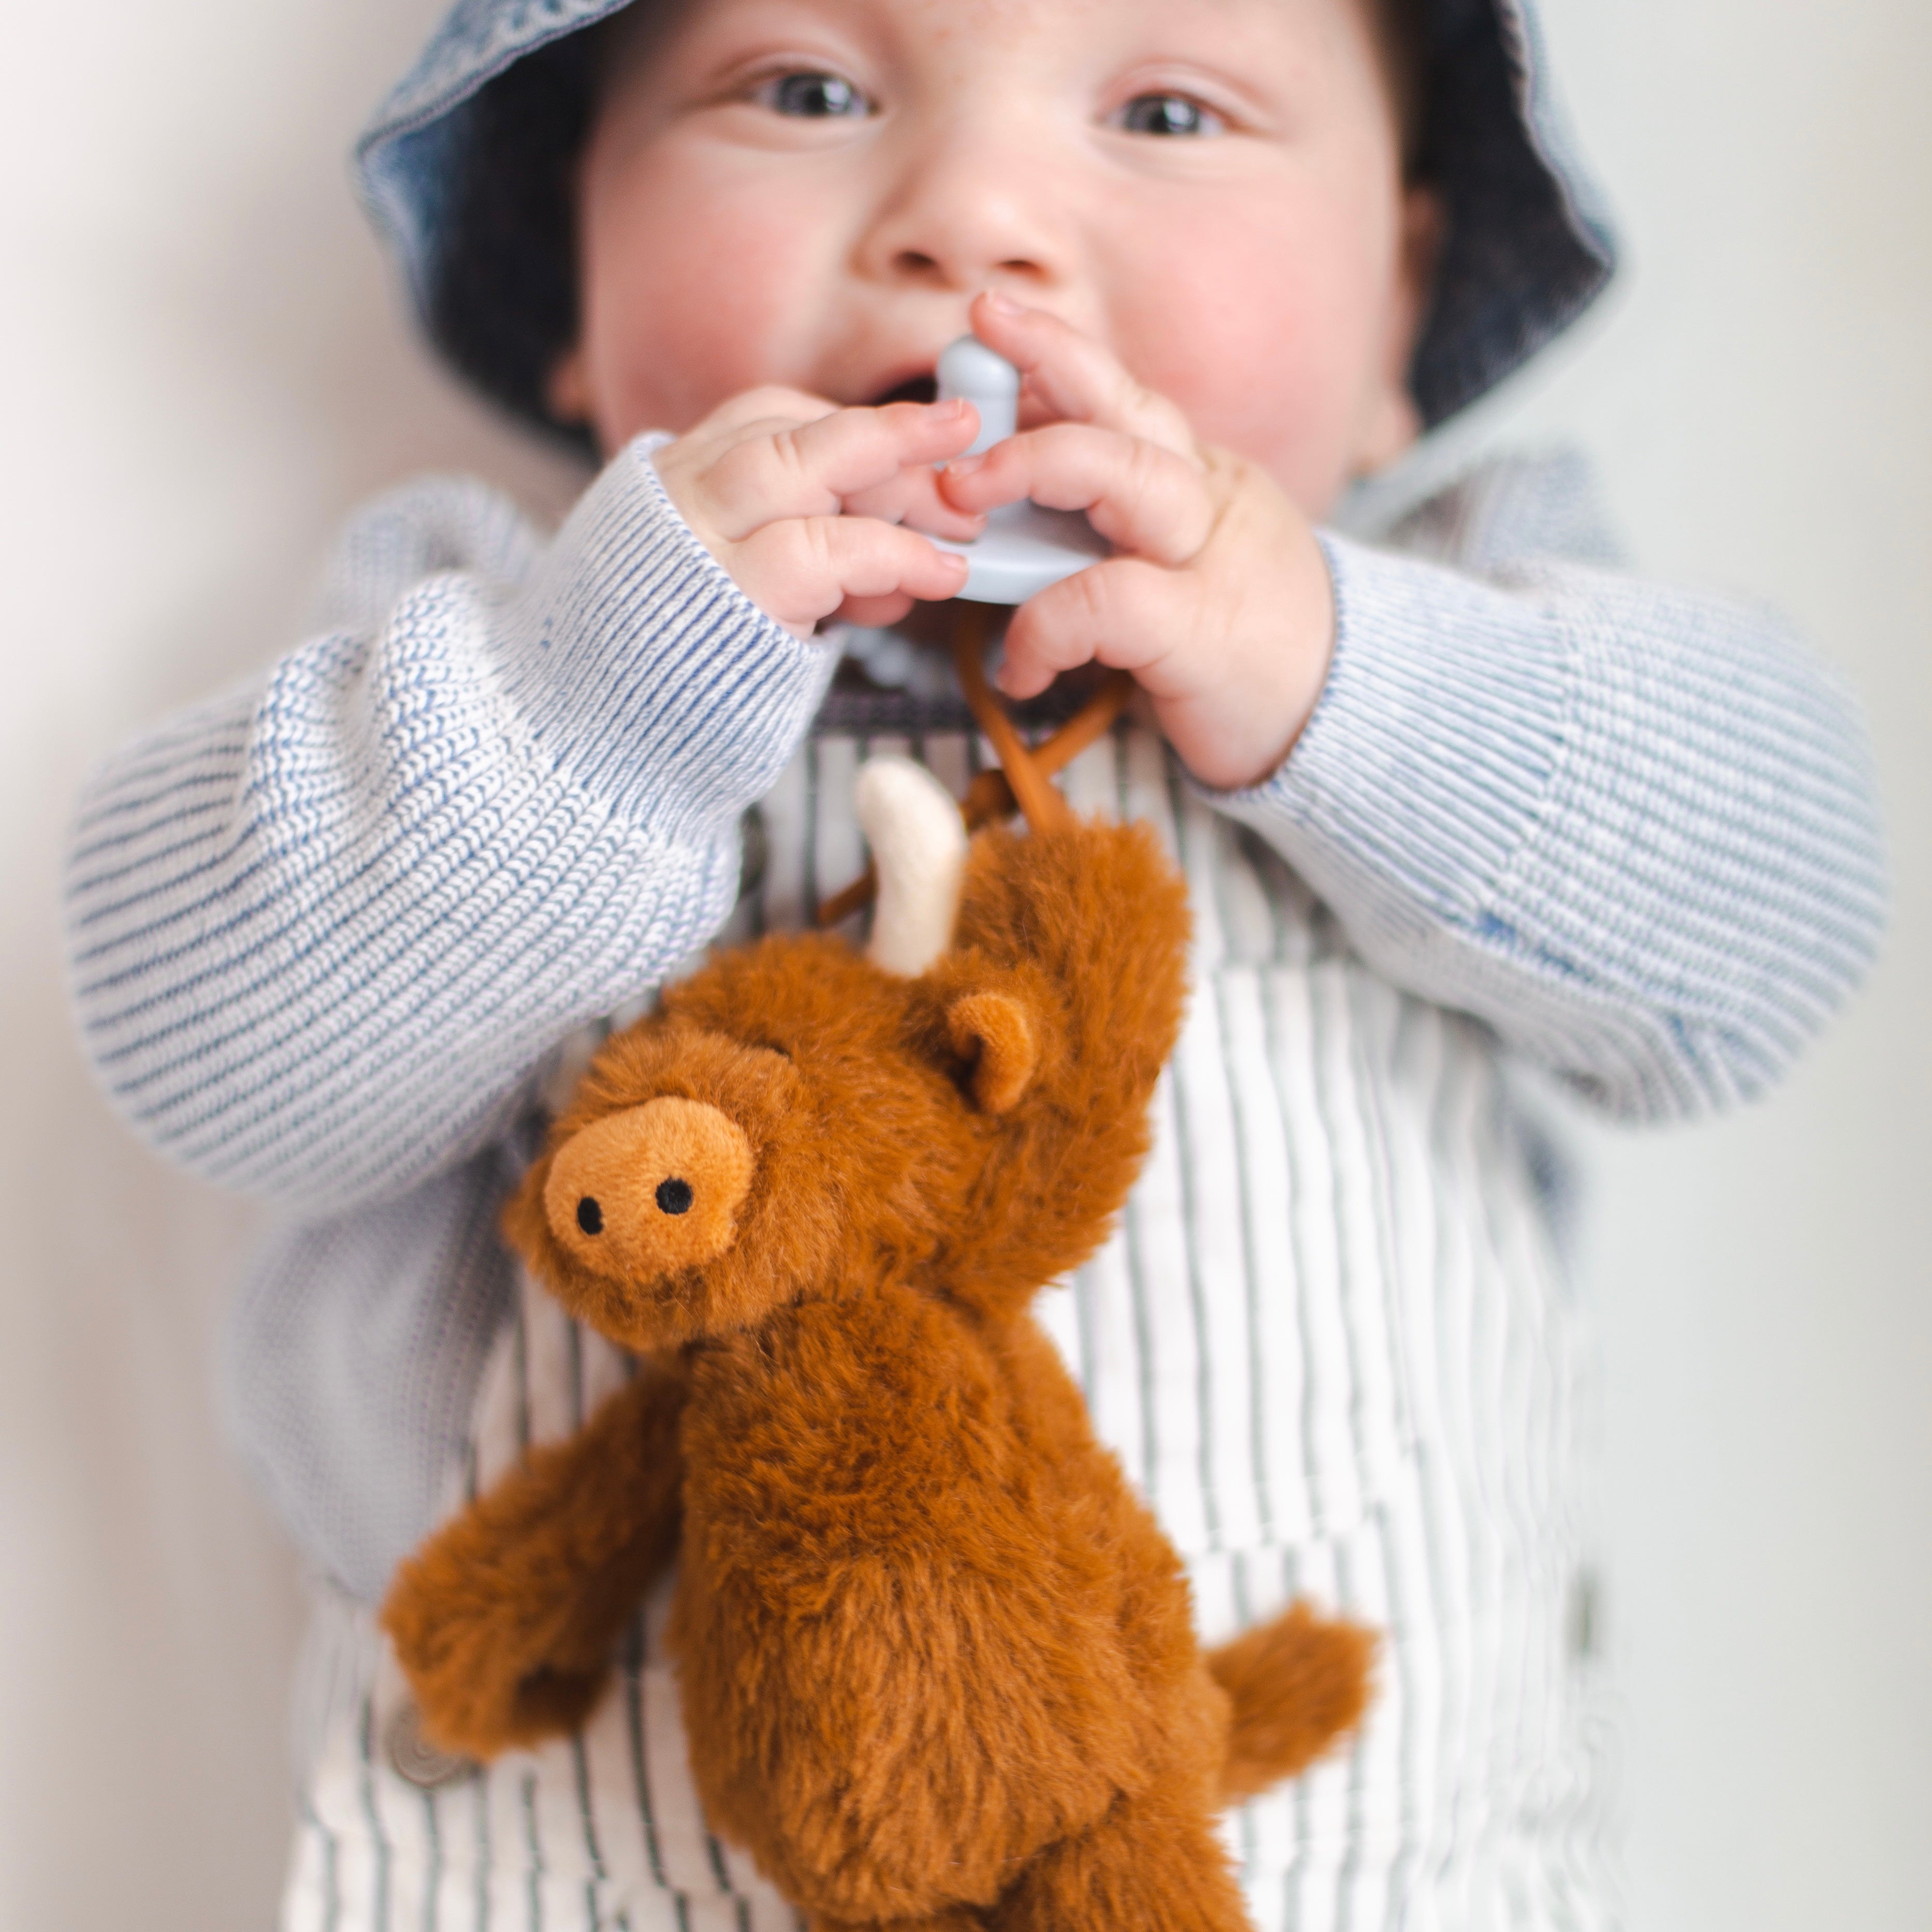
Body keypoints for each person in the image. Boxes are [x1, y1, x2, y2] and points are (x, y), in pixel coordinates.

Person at [62, 0, 1886, 1925]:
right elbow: (195, 1049)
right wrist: (587, 709)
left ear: (1399, 312)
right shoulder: (485, 641)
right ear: (576, 273)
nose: (976, 221)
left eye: (1170, 110)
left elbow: (1780, 926)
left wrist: (1342, 671)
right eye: (806, 89)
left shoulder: (1470, 619)